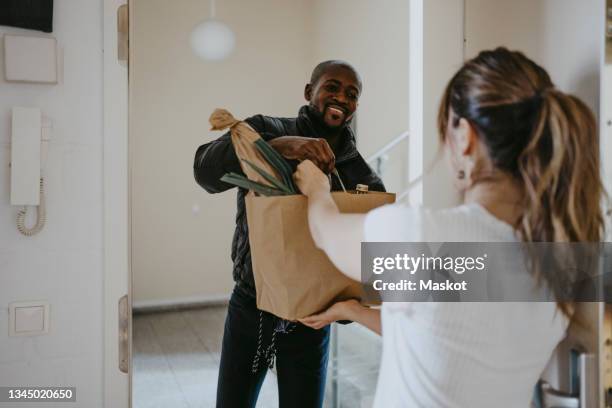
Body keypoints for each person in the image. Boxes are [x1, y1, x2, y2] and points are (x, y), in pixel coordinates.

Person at [293, 48, 604, 407]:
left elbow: (323, 229)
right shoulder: (560, 258)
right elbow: (442, 336)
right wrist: (352, 311)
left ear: (465, 136)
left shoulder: (419, 235)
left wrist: (317, 188)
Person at [193, 60, 384, 408]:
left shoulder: (363, 177)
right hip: (252, 306)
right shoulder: (263, 130)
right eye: (332, 87)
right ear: (310, 91)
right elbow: (204, 171)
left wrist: (345, 309)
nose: (341, 97)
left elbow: (366, 259)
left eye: (352, 94)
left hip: (311, 322)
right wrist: (279, 146)